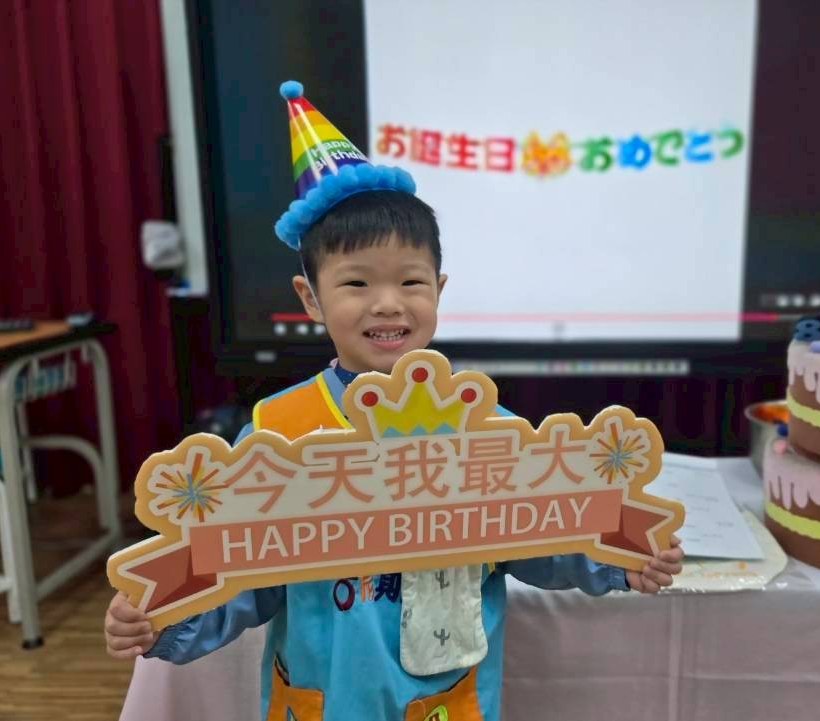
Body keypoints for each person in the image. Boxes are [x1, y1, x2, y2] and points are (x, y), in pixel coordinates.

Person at [104, 81, 683, 720]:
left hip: (448, 704)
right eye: (356, 283)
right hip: (324, 705)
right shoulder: (277, 434)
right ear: (310, 298)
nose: (387, 304)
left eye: (410, 281)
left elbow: (542, 536)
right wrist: (161, 619)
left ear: (439, 288)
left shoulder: (486, 427)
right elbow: (239, 578)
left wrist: (618, 560)